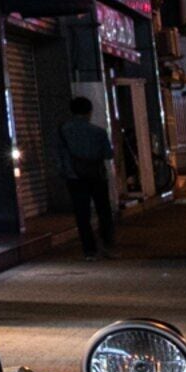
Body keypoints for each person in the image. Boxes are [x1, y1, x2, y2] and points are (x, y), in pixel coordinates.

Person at [59, 98, 119, 255]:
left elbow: (59, 154)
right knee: (103, 210)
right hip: (96, 174)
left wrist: (65, 171)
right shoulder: (98, 132)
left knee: (82, 213)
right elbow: (108, 154)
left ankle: (89, 250)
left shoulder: (63, 130)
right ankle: (107, 244)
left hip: (74, 176)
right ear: (89, 112)